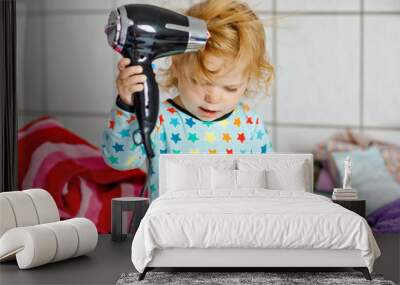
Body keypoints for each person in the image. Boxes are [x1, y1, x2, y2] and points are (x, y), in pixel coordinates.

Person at [102, 0, 275, 201]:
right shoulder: (160, 120)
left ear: (248, 79)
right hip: (170, 227)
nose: (213, 98)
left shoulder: (250, 125)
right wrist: (127, 106)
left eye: (230, 88)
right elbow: (120, 160)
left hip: (233, 227)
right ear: (176, 65)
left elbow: (266, 184)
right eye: (199, 82)